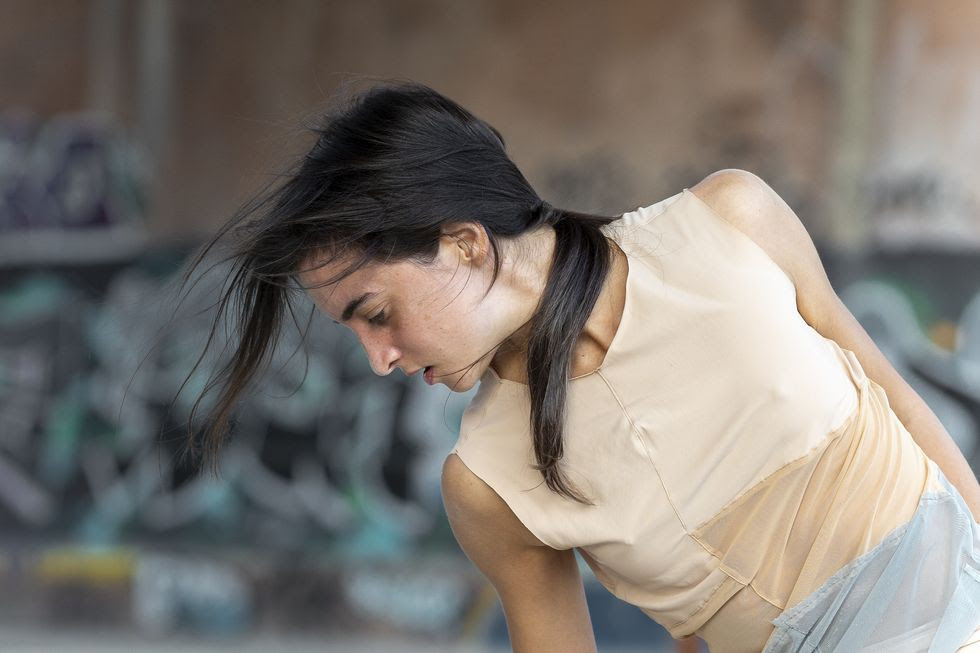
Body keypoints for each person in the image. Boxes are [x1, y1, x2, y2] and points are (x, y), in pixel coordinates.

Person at [175, 77, 980, 651]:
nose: (379, 359)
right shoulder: (486, 482)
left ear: (463, 243)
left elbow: (893, 393)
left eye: (377, 314)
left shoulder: (731, 223)